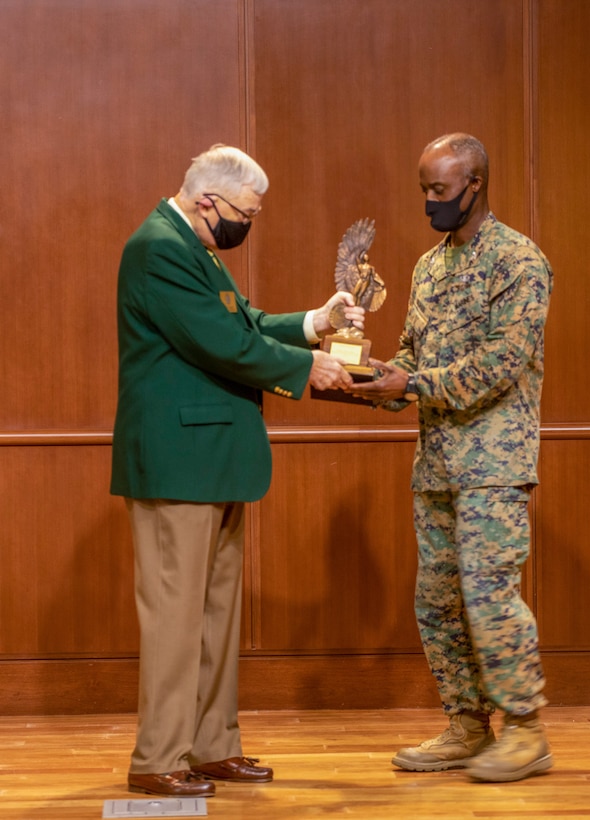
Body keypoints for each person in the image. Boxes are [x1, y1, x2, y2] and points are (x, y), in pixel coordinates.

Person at [110, 143, 364, 798]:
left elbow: (243, 322)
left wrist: (315, 323)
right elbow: (217, 343)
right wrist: (311, 370)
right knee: (174, 615)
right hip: (176, 462)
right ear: (206, 201)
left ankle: (212, 745)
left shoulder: (197, 247)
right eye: (245, 212)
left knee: (216, 615)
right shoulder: (157, 248)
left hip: (213, 457)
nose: (248, 222)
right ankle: (158, 756)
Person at [348, 133, 553, 783]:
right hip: (437, 462)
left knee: (488, 593)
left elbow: (499, 366)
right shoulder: (429, 267)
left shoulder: (519, 262)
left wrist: (408, 385)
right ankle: (468, 723)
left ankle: (525, 728)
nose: (430, 202)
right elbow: (413, 354)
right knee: (436, 599)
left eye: (439, 190)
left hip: (494, 463)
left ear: (475, 185)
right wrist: (370, 377)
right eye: (424, 191)